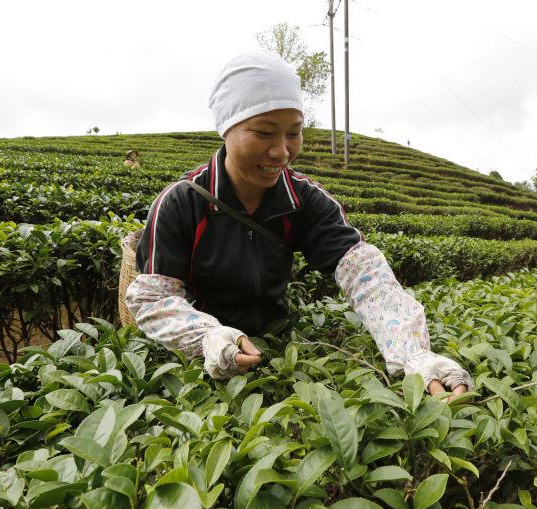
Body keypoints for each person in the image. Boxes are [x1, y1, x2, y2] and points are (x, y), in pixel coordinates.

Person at [125, 50, 473, 400]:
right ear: (226, 128)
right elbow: (154, 299)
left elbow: (365, 275)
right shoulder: (181, 202)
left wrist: (414, 355)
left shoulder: (303, 199)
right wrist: (207, 337)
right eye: (264, 132)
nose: (281, 152)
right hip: (193, 368)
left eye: (294, 133)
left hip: (276, 346)